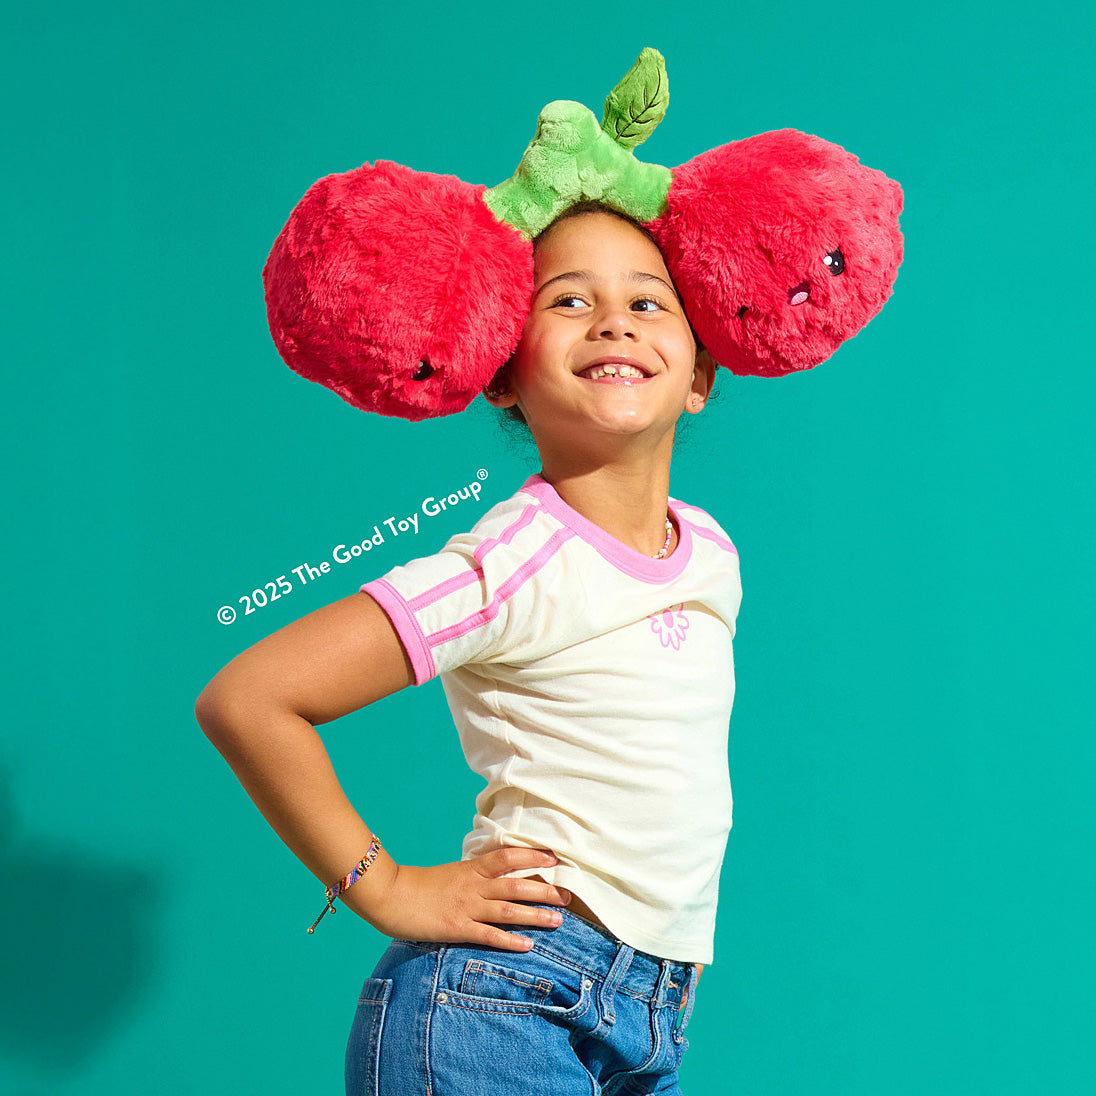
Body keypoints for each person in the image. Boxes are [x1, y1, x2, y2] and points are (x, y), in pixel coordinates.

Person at [196, 202, 742, 1095]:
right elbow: (249, 697)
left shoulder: (711, 553)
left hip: (649, 1018)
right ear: (502, 375)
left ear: (699, 375)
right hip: (501, 1004)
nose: (613, 320)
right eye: (567, 301)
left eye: (650, 303)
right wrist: (389, 889)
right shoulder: (514, 559)